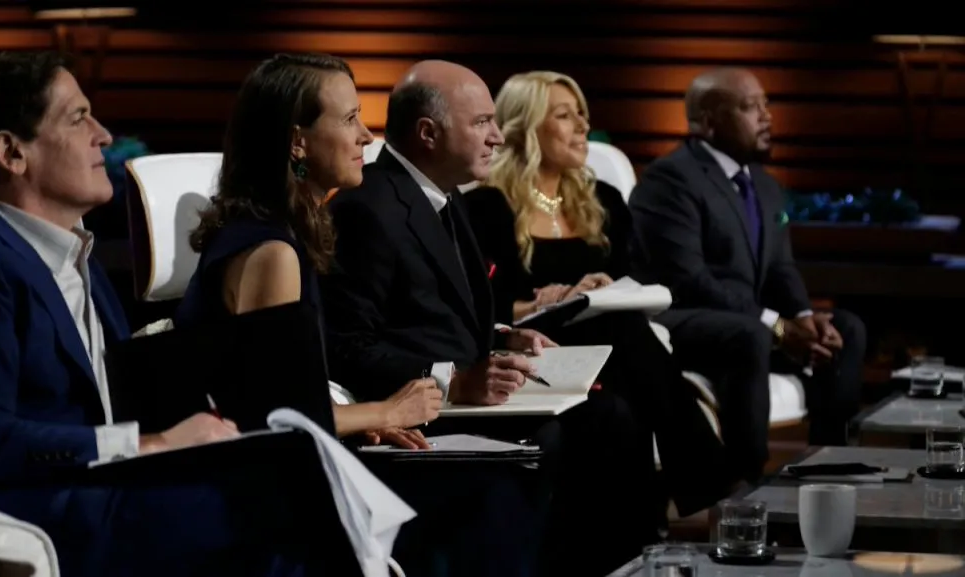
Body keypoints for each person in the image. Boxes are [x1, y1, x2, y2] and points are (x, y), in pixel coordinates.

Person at [0, 51, 353, 577]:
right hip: (52, 513)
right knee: (289, 520)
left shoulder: (79, 260)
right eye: (78, 117)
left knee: (314, 491)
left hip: (128, 496)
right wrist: (145, 444)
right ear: (11, 152)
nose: (104, 135)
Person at [173, 53, 541, 577]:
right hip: (263, 491)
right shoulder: (272, 254)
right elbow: (275, 418)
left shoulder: (284, 235)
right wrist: (384, 413)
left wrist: (372, 418)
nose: (367, 137)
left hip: (302, 458)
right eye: (349, 119)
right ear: (297, 142)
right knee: (496, 491)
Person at [320, 59, 662, 577]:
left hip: (474, 397)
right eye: (481, 122)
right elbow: (346, 347)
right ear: (428, 133)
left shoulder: (445, 195)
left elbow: (430, 312)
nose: (498, 137)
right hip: (427, 411)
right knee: (583, 430)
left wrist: (505, 334)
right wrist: (453, 381)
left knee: (612, 413)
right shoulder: (366, 208)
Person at [463, 70, 734, 511]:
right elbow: (484, 309)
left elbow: (630, 279)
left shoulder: (604, 201)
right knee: (623, 336)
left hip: (612, 347)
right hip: (538, 343)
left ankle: (660, 518)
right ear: (526, 128)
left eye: (581, 114)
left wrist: (599, 294)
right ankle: (710, 485)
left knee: (623, 379)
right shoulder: (486, 206)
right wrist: (548, 300)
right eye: (564, 115)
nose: (583, 126)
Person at [628, 67, 867, 481]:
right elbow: (688, 280)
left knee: (845, 329)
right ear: (708, 120)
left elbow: (780, 268)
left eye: (765, 105)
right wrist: (776, 326)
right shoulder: (670, 179)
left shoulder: (764, 185)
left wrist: (804, 318)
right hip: (684, 322)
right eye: (749, 106)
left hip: (748, 322)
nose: (766, 117)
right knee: (750, 335)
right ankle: (746, 486)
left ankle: (829, 470)